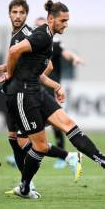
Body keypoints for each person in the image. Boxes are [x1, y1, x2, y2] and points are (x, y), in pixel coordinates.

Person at [3, 0, 105, 199]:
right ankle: (25, 187)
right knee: (39, 146)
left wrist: (56, 86)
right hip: (24, 95)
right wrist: (9, 74)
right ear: (51, 19)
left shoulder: (48, 37)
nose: (66, 24)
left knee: (69, 124)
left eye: (67, 21)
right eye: (63, 21)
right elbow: (13, 52)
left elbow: (41, 68)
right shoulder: (42, 36)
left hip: (37, 91)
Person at [0, 0, 83, 191]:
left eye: (21, 12)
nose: (18, 16)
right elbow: (18, 62)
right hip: (13, 93)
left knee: (31, 142)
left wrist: (19, 76)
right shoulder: (15, 35)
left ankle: (39, 177)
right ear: (9, 14)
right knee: (14, 140)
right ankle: (30, 181)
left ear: (26, 14)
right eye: (14, 12)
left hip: (24, 93)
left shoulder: (29, 34)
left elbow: (49, 65)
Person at [35, 17, 84, 169]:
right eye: (36, 25)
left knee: (56, 123)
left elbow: (66, 52)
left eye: (42, 25)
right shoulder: (33, 44)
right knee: (33, 121)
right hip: (35, 87)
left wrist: (75, 57)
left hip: (51, 87)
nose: (39, 28)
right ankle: (25, 148)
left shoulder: (54, 44)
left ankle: (63, 156)